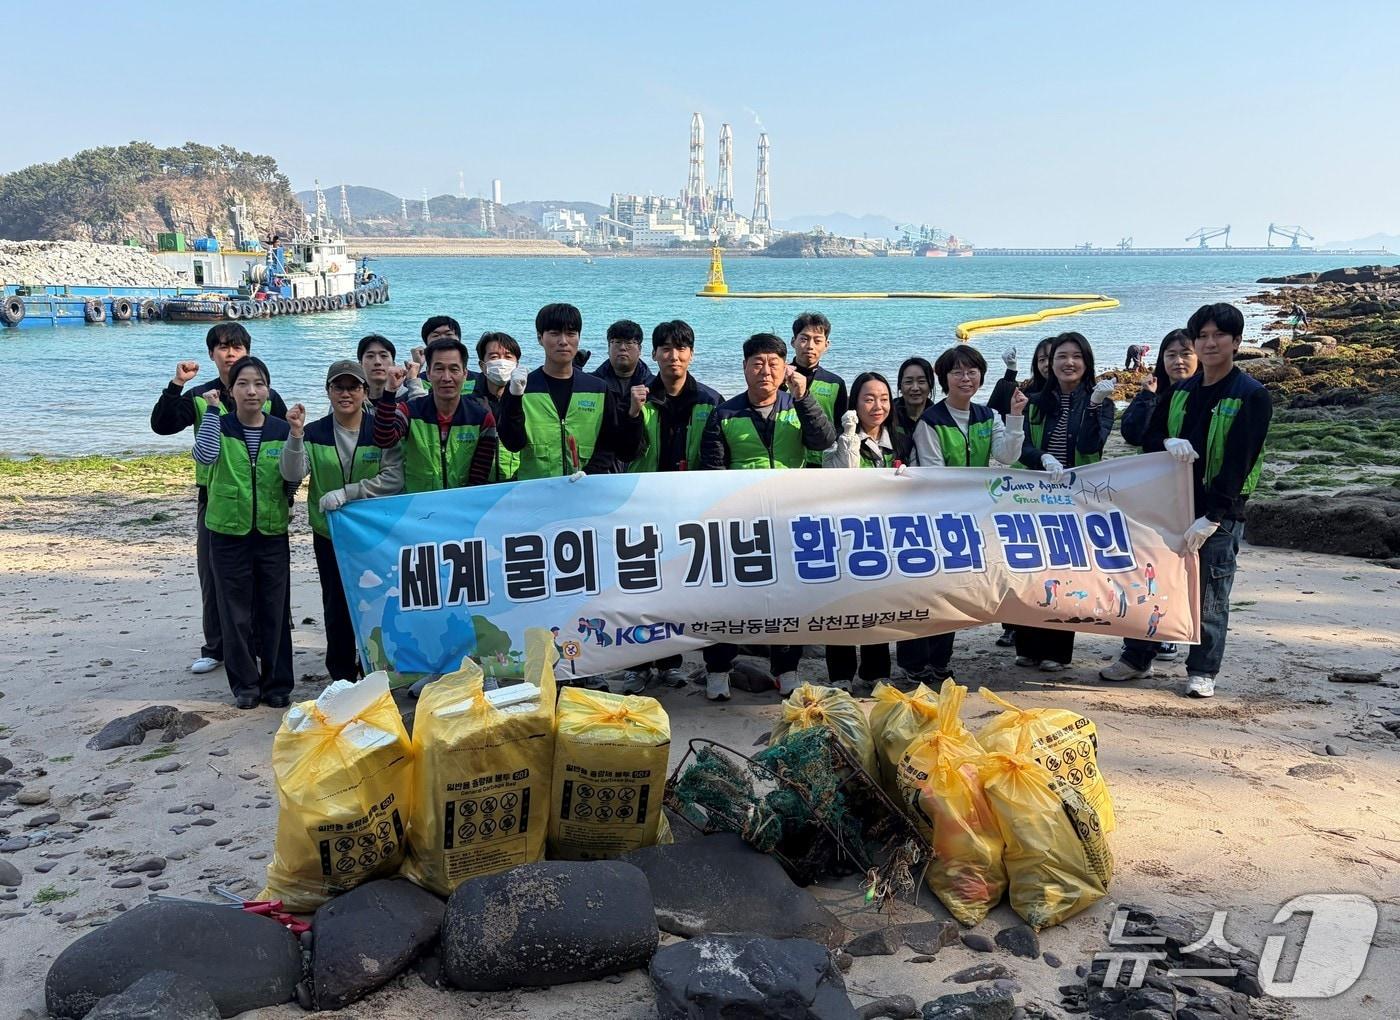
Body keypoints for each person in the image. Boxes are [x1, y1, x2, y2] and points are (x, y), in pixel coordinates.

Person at [1099, 302, 1271, 698]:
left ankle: (1203, 669)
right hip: (1169, 507)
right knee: (1151, 584)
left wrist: (1213, 515)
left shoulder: (1250, 395)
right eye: (1203, 336)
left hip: (1219, 513)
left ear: (1236, 341)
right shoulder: (1181, 391)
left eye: (1218, 336)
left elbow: (1239, 462)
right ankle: (1137, 657)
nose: (1210, 343)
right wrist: (1167, 441)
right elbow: (1149, 437)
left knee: (1211, 591)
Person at [699, 333, 836, 700]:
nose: (765, 370)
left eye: (773, 363)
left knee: (788, 598)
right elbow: (712, 471)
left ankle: (787, 670)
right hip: (740, 523)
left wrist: (805, 397)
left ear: (785, 367)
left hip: (790, 520)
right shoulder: (724, 413)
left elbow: (824, 441)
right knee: (725, 600)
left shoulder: (798, 405)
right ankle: (717, 670)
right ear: (744, 368)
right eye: (757, 363)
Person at [150, 322, 287, 676]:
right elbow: (162, 425)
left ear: (248, 352)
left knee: (264, 580)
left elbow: (286, 448)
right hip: (216, 499)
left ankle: (260, 644)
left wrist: (285, 497)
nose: (230, 354)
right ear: (212, 354)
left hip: (263, 502)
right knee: (213, 576)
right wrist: (176, 384)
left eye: (237, 347)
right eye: (223, 347)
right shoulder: (200, 396)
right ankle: (216, 647)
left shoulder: (267, 395)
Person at [616, 319, 724, 694]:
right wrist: (632, 413)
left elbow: (716, 460)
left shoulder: (709, 401)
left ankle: (670, 663)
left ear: (691, 354)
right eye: (665, 349)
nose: (673, 356)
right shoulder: (639, 397)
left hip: (690, 510)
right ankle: (637, 665)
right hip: (643, 508)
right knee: (640, 589)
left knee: (681, 590)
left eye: (680, 349)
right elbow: (624, 452)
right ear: (655, 354)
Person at [907, 346, 1028, 678]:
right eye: (957, 372)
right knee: (929, 590)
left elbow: (1005, 456)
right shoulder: (931, 421)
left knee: (952, 592)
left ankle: (940, 662)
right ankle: (915, 664)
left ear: (981, 377)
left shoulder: (987, 416)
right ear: (944, 379)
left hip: (972, 518)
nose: (965, 378)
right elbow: (935, 474)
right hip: (936, 516)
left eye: (972, 371)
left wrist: (1015, 416)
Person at [280, 360, 403, 683]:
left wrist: (350, 493)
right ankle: (342, 676)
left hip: (373, 534)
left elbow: (393, 477)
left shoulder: (380, 430)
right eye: (338, 387)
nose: (345, 394)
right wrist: (294, 435)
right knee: (336, 605)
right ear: (328, 392)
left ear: (365, 391)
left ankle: (380, 669)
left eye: (353, 387)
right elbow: (292, 474)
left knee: (379, 601)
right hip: (329, 533)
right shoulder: (315, 432)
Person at [191, 356, 295, 709]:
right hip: (226, 532)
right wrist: (210, 412)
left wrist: (297, 435)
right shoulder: (219, 426)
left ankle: (278, 683)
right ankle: (245, 685)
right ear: (230, 391)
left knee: (274, 609)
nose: (252, 391)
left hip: (270, 530)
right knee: (233, 611)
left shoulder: (281, 429)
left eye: (259, 384)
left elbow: (295, 475)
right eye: (243, 384)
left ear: (268, 390)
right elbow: (203, 456)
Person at [1014, 332, 1115, 672]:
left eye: (1076, 356)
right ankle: (1027, 644)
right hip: (1036, 496)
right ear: (1050, 362)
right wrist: (1042, 457)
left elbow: (1092, 444)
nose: (1068, 362)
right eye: (1061, 356)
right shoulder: (1035, 399)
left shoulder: (1100, 400)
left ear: (1086, 363)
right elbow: (1021, 446)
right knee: (1031, 568)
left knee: (1066, 572)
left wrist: (1095, 407)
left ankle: (1056, 651)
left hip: (1077, 498)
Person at [822, 372, 911, 691]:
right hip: (843, 535)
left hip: (884, 536)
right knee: (842, 603)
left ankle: (876, 670)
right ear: (854, 403)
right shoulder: (839, 437)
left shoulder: (899, 439)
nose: (878, 405)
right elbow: (843, 476)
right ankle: (840, 674)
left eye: (884, 398)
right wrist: (849, 434)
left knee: (879, 602)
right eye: (869, 398)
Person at [497, 303, 645, 479]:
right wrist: (514, 397)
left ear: (579, 338)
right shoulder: (523, 387)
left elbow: (611, 446)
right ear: (539, 338)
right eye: (554, 333)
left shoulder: (598, 389)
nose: (563, 341)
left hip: (586, 490)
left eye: (571, 333)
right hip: (535, 492)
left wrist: (589, 473)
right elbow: (513, 443)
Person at [372, 337, 499, 491]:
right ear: (429, 373)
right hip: (415, 505)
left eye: (454, 369)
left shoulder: (482, 419)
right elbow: (383, 439)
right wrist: (389, 392)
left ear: (464, 374)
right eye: (439, 369)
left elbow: (479, 477)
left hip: (460, 504)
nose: (446, 378)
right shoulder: (409, 411)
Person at [591, 319, 656, 472]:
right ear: (608, 348)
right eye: (616, 342)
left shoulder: (654, 387)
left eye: (629, 343)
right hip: (601, 468)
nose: (622, 348)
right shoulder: (594, 385)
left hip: (642, 469)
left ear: (639, 349)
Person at [789, 312, 848, 466]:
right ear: (793, 341)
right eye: (804, 339)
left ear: (826, 345)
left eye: (817, 340)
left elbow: (840, 426)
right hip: (788, 459)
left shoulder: (835, 383)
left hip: (823, 461)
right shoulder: (780, 379)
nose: (810, 346)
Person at [469, 331, 523, 481]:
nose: (502, 362)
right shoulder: (469, 402)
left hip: (516, 483)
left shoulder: (525, 400)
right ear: (482, 365)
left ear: (516, 364)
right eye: (494, 357)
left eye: (508, 356)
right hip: (480, 483)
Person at [358, 333, 425, 403]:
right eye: (370, 356)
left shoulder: (408, 396)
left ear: (393, 364)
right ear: (360, 364)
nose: (377, 362)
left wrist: (413, 380)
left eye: (383, 356)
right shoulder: (355, 400)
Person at [893, 356, 935, 437]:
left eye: (921, 381)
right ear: (899, 386)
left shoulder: (937, 418)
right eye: (908, 382)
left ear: (930, 386)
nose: (915, 388)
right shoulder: (888, 417)